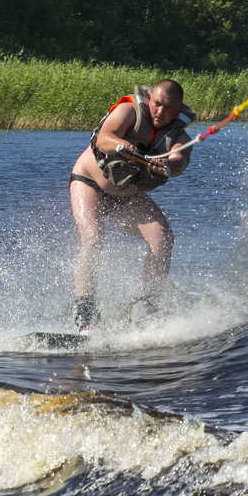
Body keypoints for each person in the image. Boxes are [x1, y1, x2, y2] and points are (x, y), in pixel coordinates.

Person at [68, 79, 195, 328]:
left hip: (126, 197)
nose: (160, 112)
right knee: (94, 238)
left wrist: (170, 164)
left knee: (163, 238)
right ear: (151, 100)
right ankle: (85, 315)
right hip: (88, 183)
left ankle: (148, 306)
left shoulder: (180, 136)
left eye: (168, 108)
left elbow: (180, 160)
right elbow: (104, 137)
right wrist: (121, 145)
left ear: (179, 109)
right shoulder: (129, 111)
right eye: (157, 104)